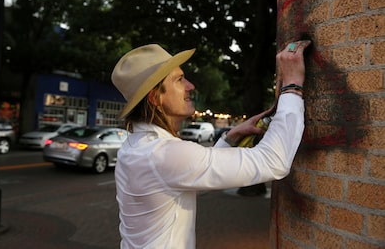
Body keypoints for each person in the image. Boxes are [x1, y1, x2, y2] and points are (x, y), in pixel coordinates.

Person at [111, 41, 310, 249]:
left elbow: (190, 173)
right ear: (155, 97)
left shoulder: (134, 147)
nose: (190, 86)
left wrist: (230, 137)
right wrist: (292, 86)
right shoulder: (162, 154)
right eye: (179, 80)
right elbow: (273, 161)